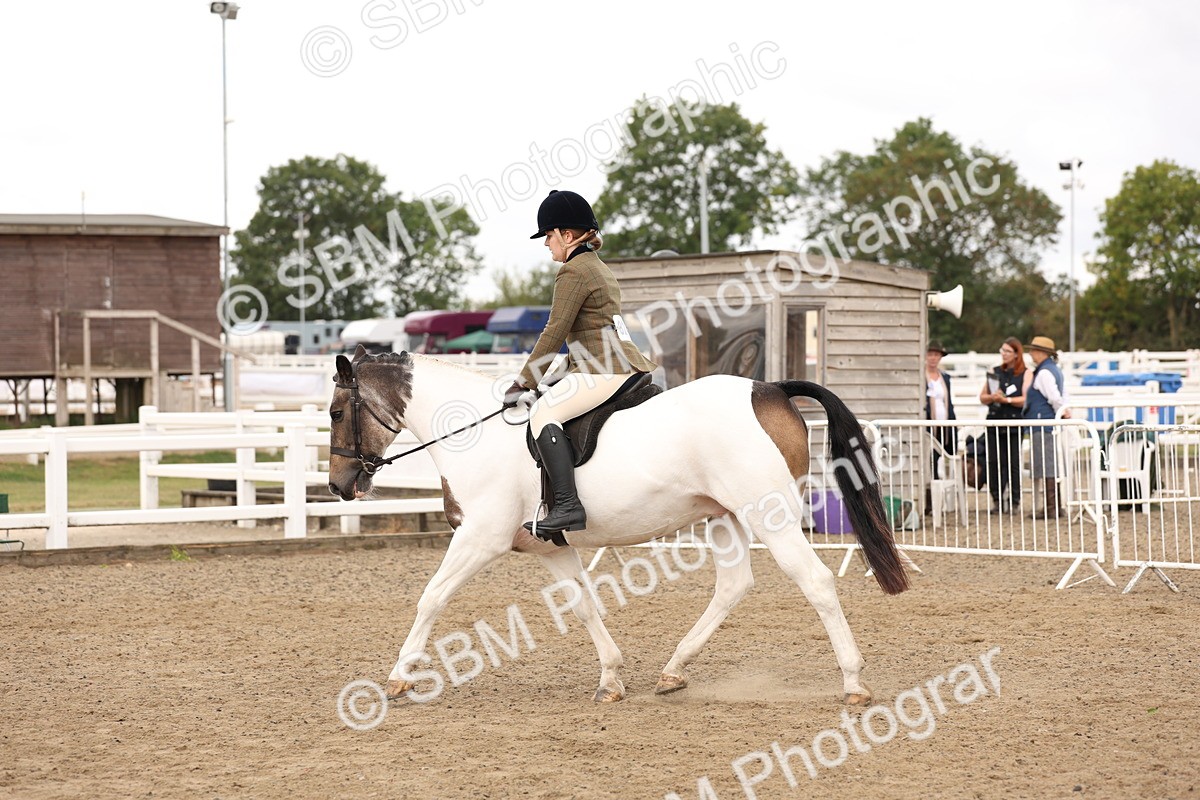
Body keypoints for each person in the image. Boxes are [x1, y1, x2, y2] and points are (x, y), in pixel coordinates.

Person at [503, 190, 658, 538]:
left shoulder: (573, 271)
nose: (546, 244)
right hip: (615, 361)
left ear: (567, 235)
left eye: (548, 235)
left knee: (543, 415)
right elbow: (585, 334)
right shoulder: (597, 267)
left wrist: (525, 381)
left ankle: (568, 505)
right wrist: (557, 375)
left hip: (604, 368)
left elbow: (554, 331)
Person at [1022, 335, 1069, 519]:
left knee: (1046, 464)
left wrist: (1062, 411)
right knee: (1049, 463)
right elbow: (1062, 395)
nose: (1031, 354)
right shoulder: (1054, 370)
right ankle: (1053, 505)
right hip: (1048, 421)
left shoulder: (1044, 373)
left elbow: (1054, 397)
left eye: (1033, 350)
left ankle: (1051, 506)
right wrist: (1065, 410)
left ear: (1041, 353)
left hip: (1043, 421)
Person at [978, 337, 1026, 514]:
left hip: (1013, 423)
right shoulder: (995, 371)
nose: (1004, 354)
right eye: (1002, 350)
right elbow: (982, 397)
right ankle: (997, 499)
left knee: (1013, 462)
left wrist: (1007, 400)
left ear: (1016, 354)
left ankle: (1014, 500)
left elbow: (1025, 398)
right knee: (994, 462)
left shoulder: (1024, 373)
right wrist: (993, 398)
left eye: (1007, 351)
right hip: (994, 421)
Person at [924, 341, 956, 514]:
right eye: (930, 354)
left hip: (945, 424)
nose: (933, 358)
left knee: (945, 459)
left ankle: (946, 500)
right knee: (930, 462)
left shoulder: (945, 378)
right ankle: (930, 501)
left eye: (936, 355)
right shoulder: (922, 377)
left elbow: (948, 402)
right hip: (930, 426)